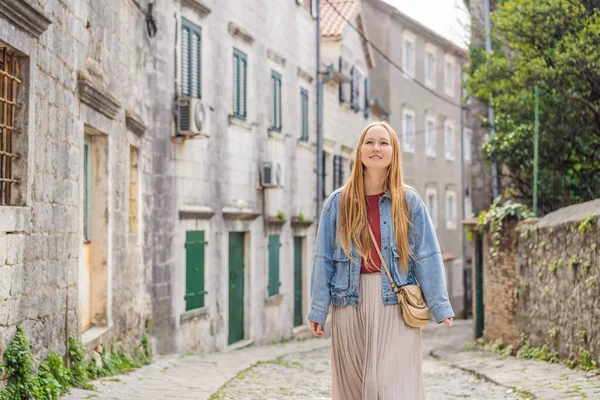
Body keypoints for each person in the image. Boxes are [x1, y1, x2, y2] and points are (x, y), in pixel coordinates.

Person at [307, 121, 454, 400]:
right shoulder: (337, 203)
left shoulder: (409, 201)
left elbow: (426, 254)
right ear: (360, 151)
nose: (376, 148)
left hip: (394, 303)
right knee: (352, 388)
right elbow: (323, 258)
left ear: (393, 152)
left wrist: (439, 304)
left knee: (386, 388)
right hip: (348, 302)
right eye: (370, 142)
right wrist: (318, 309)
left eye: (384, 142)